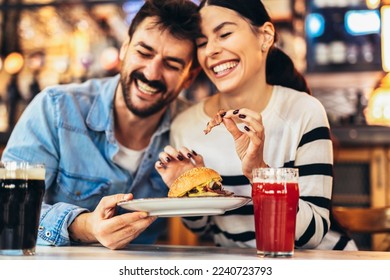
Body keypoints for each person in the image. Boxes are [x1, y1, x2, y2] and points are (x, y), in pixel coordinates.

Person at [156, 0, 357, 250]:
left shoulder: (303, 111)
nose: (211, 51)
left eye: (225, 34)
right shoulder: (186, 126)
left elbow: (312, 235)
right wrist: (188, 190)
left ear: (265, 36)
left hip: (316, 264)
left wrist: (259, 173)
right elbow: (204, 227)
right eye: (201, 43)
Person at [1, 0, 201, 250]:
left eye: (172, 64)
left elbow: (203, 224)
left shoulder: (192, 127)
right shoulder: (55, 108)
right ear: (124, 49)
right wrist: (85, 226)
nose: (152, 73)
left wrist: (192, 190)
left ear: (189, 77)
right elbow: (8, 210)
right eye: (143, 52)